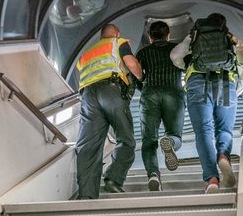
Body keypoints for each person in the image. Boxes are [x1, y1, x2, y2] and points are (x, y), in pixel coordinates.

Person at [170, 13, 243, 193]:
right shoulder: (230, 38)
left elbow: (175, 56)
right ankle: (223, 155)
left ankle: (212, 178)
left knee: (203, 132)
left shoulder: (194, 37)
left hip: (197, 84)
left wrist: (185, 64)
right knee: (224, 129)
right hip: (226, 84)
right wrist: (237, 89)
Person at [75, 23, 143, 199]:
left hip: (88, 96)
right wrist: (141, 77)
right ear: (117, 34)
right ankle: (114, 179)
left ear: (100, 37)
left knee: (88, 146)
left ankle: (87, 195)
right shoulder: (118, 42)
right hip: (111, 91)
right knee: (126, 138)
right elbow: (132, 63)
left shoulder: (86, 54)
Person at [135, 21, 185, 191]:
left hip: (150, 94)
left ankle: (153, 175)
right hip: (174, 93)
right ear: (168, 35)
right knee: (175, 135)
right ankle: (169, 142)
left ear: (150, 37)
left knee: (149, 140)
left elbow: (135, 75)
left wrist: (144, 88)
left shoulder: (143, 52)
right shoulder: (177, 49)